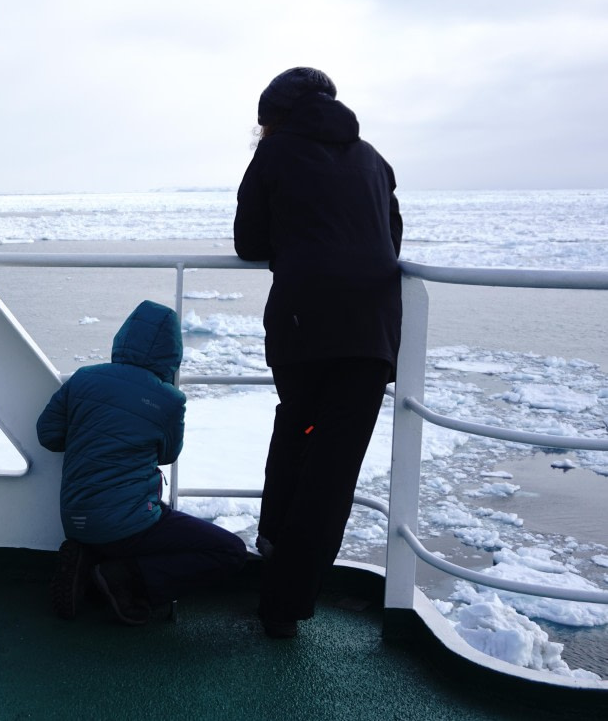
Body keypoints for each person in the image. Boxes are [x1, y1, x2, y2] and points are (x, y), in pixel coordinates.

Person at [233, 67, 402, 638]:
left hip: (304, 329)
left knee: (296, 439)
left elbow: (250, 242)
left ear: (270, 119)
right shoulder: (374, 159)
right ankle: (286, 601)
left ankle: (272, 561)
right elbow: (391, 238)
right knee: (332, 471)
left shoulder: (274, 155)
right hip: (371, 333)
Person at [37, 299, 248, 625]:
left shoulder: (83, 378)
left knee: (129, 522)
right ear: (171, 354)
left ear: (122, 339)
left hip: (74, 516)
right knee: (230, 551)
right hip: (131, 524)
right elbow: (168, 455)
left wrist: (92, 435)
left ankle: (88, 556)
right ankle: (125, 578)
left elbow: (48, 435)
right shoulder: (169, 399)